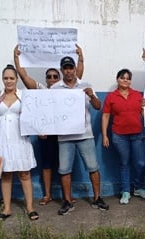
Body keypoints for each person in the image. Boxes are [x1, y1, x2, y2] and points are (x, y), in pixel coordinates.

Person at [14, 44, 84, 206]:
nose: (52, 79)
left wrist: (80, 57)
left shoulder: (66, 88)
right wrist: (16, 58)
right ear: (46, 79)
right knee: (46, 165)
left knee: (65, 166)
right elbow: (24, 77)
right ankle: (47, 195)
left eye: (55, 76)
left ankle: (67, 196)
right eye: (49, 76)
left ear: (59, 77)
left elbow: (78, 73)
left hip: (65, 134)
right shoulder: (41, 89)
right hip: (46, 135)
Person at [51, 56, 107, 214]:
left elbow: (97, 106)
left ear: (75, 68)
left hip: (85, 134)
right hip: (64, 137)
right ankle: (67, 201)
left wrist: (92, 95)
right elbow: (50, 111)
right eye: (65, 68)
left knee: (93, 167)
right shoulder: (55, 89)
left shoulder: (85, 85)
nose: (68, 71)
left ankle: (97, 198)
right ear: (62, 70)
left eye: (71, 67)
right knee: (64, 170)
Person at [0, 65, 38, 221]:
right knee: (6, 174)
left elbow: (33, 116)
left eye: (11, 78)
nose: (8, 81)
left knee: (25, 173)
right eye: (6, 78)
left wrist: (40, 130)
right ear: (2, 79)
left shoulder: (24, 96)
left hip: (20, 139)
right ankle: (7, 209)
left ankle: (30, 208)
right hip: (1, 139)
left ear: (17, 79)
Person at [102, 68, 145, 205]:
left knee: (141, 163)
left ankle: (139, 188)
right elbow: (105, 116)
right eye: (122, 77)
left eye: (128, 78)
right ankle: (125, 191)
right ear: (117, 79)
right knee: (124, 163)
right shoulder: (111, 97)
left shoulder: (137, 95)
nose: (125, 80)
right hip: (119, 136)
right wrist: (105, 135)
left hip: (138, 134)